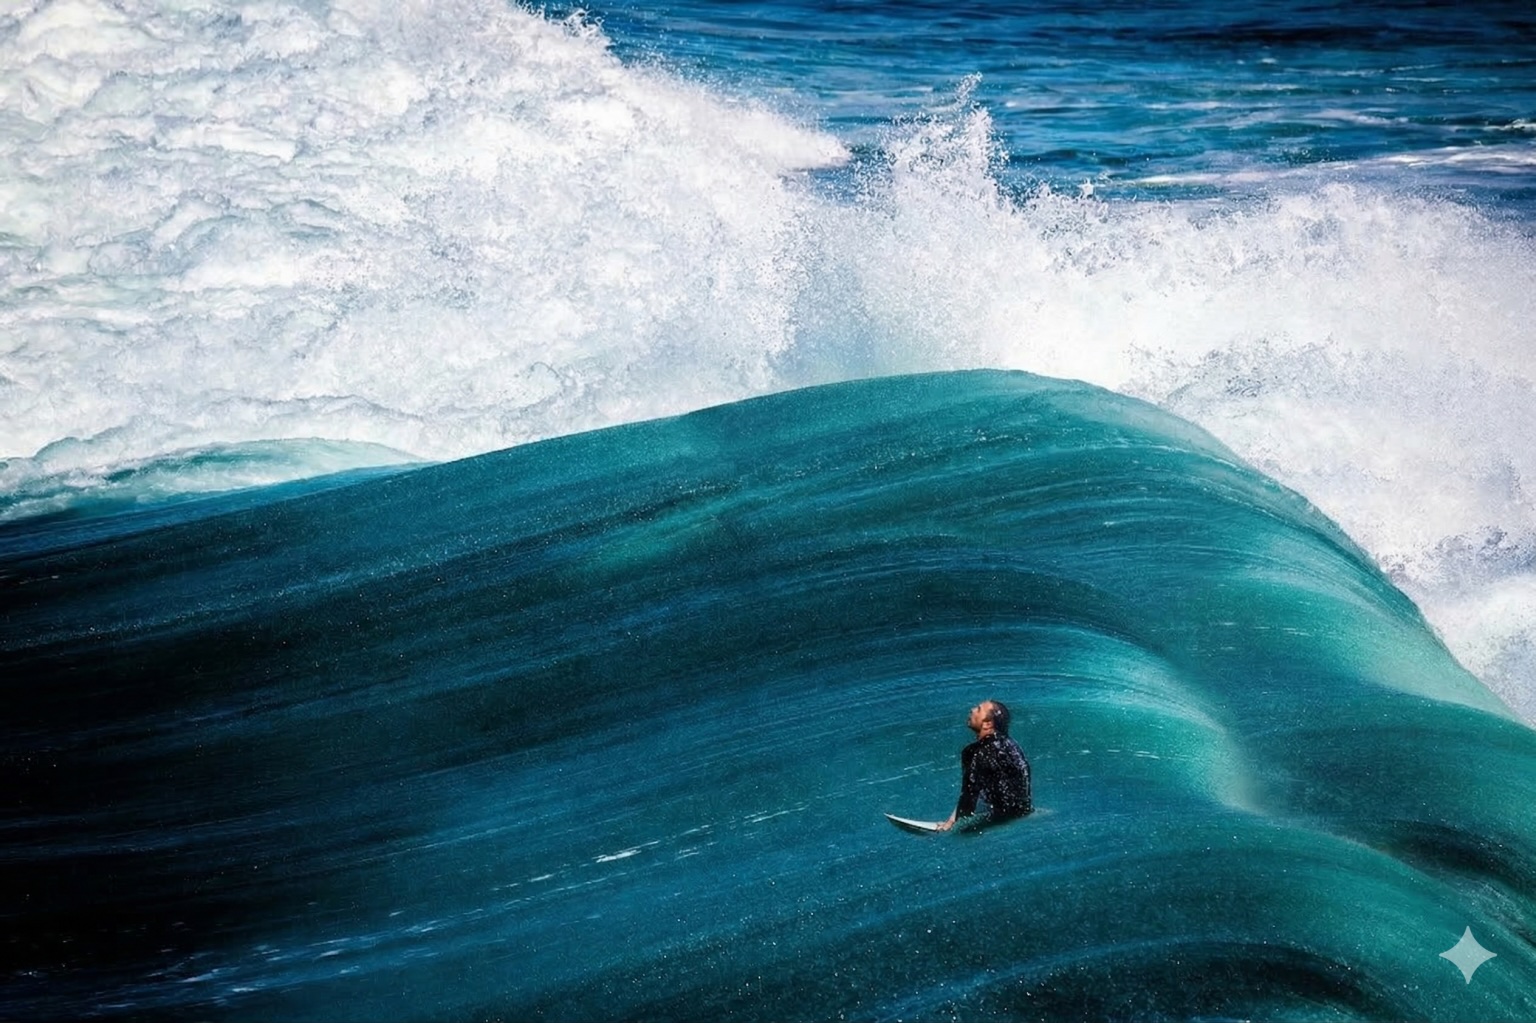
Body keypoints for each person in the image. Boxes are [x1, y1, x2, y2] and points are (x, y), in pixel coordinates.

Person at [937, 699, 1032, 831]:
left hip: (999, 820)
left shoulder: (974, 752)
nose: (972, 710)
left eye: (979, 709)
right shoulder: (1012, 745)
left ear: (987, 724)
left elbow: (969, 793)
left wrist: (952, 825)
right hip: (1023, 812)